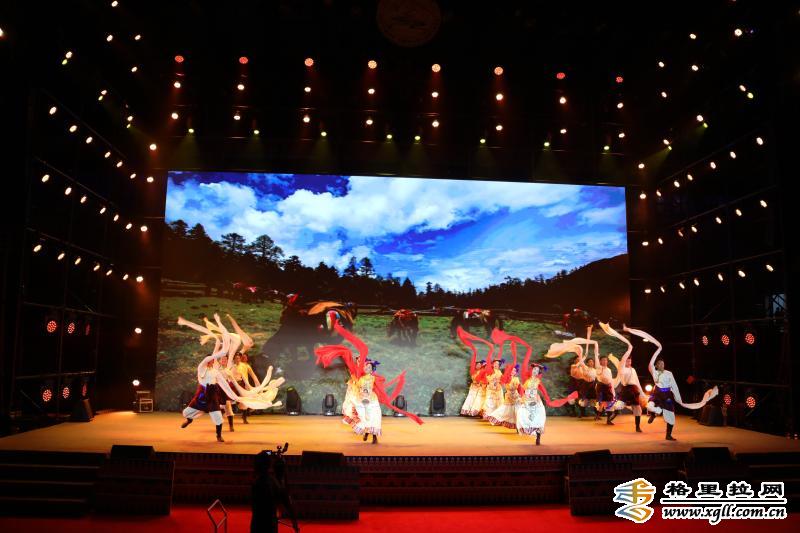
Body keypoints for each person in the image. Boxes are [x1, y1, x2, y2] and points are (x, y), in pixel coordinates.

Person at [625, 326, 718, 441]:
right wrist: (658, 349)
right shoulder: (654, 371)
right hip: (657, 393)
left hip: (667, 394)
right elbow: (651, 363)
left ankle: (668, 434)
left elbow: (674, 386)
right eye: (659, 364)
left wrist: (678, 398)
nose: (662, 365)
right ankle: (654, 414)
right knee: (650, 406)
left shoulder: (669, 373)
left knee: (671, 416)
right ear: (656, 365)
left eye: (663, 363)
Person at [600, 322, 646, 432]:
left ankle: (637, 427)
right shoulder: (622, 368)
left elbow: (637, 382)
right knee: (618, 406)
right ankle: (610, 416)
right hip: (626, 390)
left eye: (630, 361)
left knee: (637, 408)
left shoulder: (633, 370)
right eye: (627, 361)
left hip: (634, 389)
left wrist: (642, 393)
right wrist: (629, 349)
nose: (628, 362)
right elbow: (622, 360)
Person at [251, 450, 299, 533]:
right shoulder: (274, 483)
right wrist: (295, 523)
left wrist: (270, 452)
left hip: (257, 525)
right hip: (270, 525)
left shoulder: (256, 483)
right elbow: (288, 504)